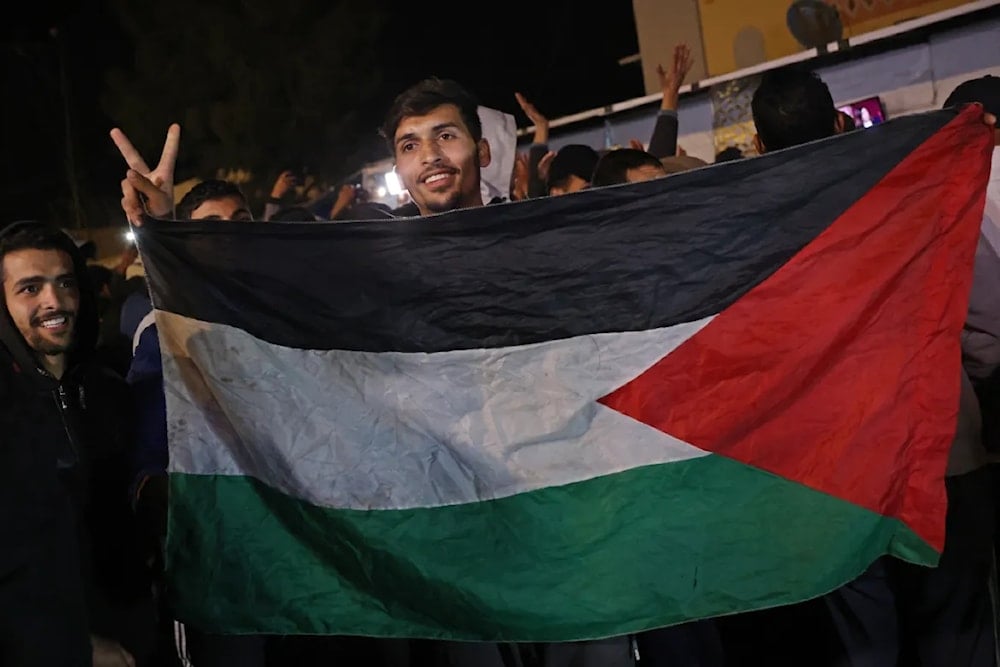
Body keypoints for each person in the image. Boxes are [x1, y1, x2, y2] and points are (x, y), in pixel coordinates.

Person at [751, 66, 1000, 667]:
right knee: (954, 634)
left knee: (864, 646)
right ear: (840, 121)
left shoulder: (747, 238)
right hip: (937, 455)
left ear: (758, 145)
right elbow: (988, 333)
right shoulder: (919, 193)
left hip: (828, 477)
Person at [0, 220, 151, 666]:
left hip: (134, 625)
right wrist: (74, 646)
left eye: (64, 282)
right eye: (30, 288)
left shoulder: (110, 389)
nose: (54, 300)